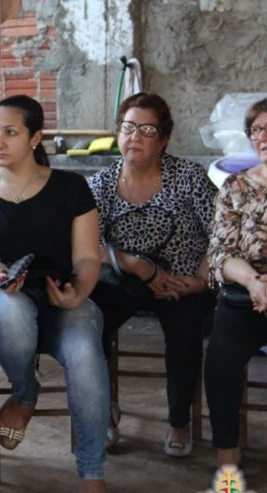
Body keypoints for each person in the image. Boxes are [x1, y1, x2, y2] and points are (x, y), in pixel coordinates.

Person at [0, 94, 111, 493]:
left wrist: (78, 292)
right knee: (14, 311)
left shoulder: (71, 188)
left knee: (85, 352)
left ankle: (92, 469)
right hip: (0, 300)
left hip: (63, 297)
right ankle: (25, 394)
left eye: (10, 132)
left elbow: (87, 258)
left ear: (35, 137)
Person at [88, 92, 217, 456]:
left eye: (147, 130)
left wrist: (200, 281)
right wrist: (135, 265)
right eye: (128, 127)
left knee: (185, 329)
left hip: (182, 280)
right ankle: (104, 411)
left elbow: (221, 234)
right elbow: (88, 246)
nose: (135, 137)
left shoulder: (189, 177)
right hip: (124, 279)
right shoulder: (100, 184)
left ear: (163, 140)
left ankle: (178, 421)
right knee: (87, 318)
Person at [205, 97, 267, 468]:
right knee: (220, 358)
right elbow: (220, 253)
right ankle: (227, 452)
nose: (263, 137)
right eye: (257, 130)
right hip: (247, 293)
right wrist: (256, 283)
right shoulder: (236, 187)